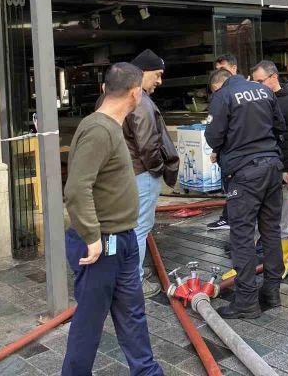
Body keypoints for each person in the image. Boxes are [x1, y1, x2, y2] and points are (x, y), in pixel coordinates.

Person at [62, 62, 164, 375]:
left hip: (122, 238)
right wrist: (92, 237)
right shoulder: (98, 130)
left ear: (105, 88)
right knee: (89, 321)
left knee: (132, 313)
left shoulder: (110, 126)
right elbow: (77, 189)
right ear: (135, 94)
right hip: (102, 244)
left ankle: (146, 371)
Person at [205, 68, 286, 318]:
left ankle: (247, 301)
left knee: (242, 236)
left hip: (244, 172)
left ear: (218, 85)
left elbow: (213, 136)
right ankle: (272, 292)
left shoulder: (223, 96)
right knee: (271, 231)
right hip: (272, 166)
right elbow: (280, 126)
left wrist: (229, 147)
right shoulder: (264, 91)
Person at [124, 49, 179, 297]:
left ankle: (129, 274)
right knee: (140, 228)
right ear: (142, 72)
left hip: (128, 173)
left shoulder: (121, 97)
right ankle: (133, 281)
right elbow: (147, 146)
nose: (160, 81)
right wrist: (158, 169)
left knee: (129, 227)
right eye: (157, 74)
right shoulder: (141, 102)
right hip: (142, 174)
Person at [251, 60, 288, 278]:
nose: (257, 86)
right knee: (259, 217)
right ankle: (255, 259)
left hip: (284, 170)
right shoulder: (258, 100)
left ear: (273, 77)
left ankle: (283, 261)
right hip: (262, 169)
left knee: (284, 218)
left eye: (260, 81)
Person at [206, 53, 241, 231]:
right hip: (232, 155)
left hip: (239, 158)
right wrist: (217, 150)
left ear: (234, 69)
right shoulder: (223, 95)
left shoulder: (234, 94)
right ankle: (228, 218)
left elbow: (215, 132)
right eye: (217, 70)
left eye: (223, 69)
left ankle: (233, 220)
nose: (218, 74)